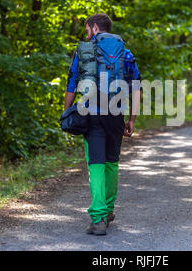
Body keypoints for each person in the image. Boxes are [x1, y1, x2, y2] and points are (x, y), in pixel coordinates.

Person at [64, 13, 141, 236]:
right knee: (111, 163)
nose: (87, 35)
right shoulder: (124, 52)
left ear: (95, 27)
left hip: (91, 113)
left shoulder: (85, 50)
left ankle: (98, 219)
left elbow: (72, 83)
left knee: (95, 164)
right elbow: (136, 87)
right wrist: (132, 119)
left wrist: (66, 112)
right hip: (115, 114)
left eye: (87, 30)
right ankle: (108, 211)